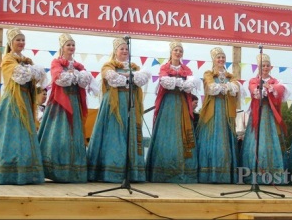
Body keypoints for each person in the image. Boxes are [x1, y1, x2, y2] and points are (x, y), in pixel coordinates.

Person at [0, 27, 47, 184]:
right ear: (11, 43)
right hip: (13, 101)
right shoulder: (7, 59)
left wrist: (32, 70)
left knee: (26, 134)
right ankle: (8, 171)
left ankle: (25, 172)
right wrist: (33, 71)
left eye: (23, 40)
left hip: (26, 100)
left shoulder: (26, 60)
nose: (21, 42)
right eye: (18, 40)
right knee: (11, 133)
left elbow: (39, 77)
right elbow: (20, 75)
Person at [87, 37, 151, 183]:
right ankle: (110, 171)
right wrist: (130, 77)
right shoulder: (109, 65)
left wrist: (128, 76)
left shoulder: (134, 67)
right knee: (114, 133)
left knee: (130, 134)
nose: (124, 51)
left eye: (126, 49)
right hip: (114, 105)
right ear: (115, 51)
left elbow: (142, 79)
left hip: (130, 103)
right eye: (121, 49)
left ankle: (131, 173)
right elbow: (113, 79)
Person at [38, 33, 98, 183]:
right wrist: (76, 75)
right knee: (60, 133)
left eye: (73, 45)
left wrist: (74, 74)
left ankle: (73, 171)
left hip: (74, 101)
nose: (71, 47)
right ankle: (55, 170)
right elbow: (60, 79)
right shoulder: (56, 62)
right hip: (60, 103)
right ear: (62, 48)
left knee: (75, 134)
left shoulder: (78, 65)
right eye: (68, 45)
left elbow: (86, 80)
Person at [146, 41, 201, 183]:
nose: (178, 52)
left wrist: (177, 82)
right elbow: (164, 82)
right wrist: (180, 83)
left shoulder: (186, 69)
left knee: (181, 129)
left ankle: (183, 170)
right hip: (168, 103)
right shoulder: (165, 67)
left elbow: (191, 85)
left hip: (182, 103)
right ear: (171, 52)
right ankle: (163, 170)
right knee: (167, 130)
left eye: (180, 51)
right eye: (176, 50)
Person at [240, 53, 289, 185]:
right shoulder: (253, 80)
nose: (265, 68)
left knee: (271, 139)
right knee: (256, 141)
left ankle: (272, 174)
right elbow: (255, 92)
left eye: (267, 65)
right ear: (258, 67)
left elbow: (281, 91)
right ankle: (253, 173)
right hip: (258, 112)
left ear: (271, 67)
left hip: (270, 114)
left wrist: (271, 88)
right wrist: (268, 89)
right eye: (263, 65)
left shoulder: (275, 81)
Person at [196, 47, 241, 183]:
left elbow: (236, 88)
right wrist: (226, 87)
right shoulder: (209, 73)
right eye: (218, 57)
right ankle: (209, 173)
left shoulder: (230, 76)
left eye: (223, 57)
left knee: (226, 136)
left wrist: (226, 87)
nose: (221, 60)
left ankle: (225, 173)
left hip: (227, 110)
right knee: (212, 136)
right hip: (213, 109)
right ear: (214, 60)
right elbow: (211, 88)